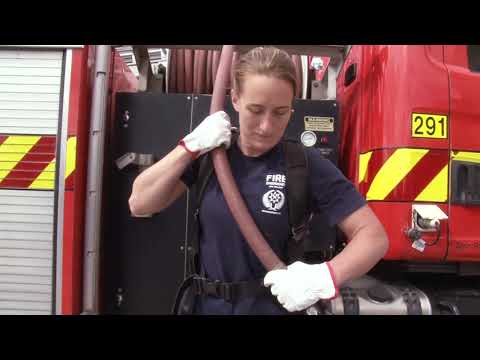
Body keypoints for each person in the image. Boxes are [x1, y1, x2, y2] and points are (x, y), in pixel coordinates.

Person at [128, 46, 389, 315]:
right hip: (207, 306)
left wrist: (322, 279)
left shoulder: (303, 164)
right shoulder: (211, 156)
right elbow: (140, 202)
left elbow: (373, 237)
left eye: (279, 112)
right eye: (255, 110)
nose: (266, 126)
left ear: (291, 110)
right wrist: (189, 147)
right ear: (235, 99)